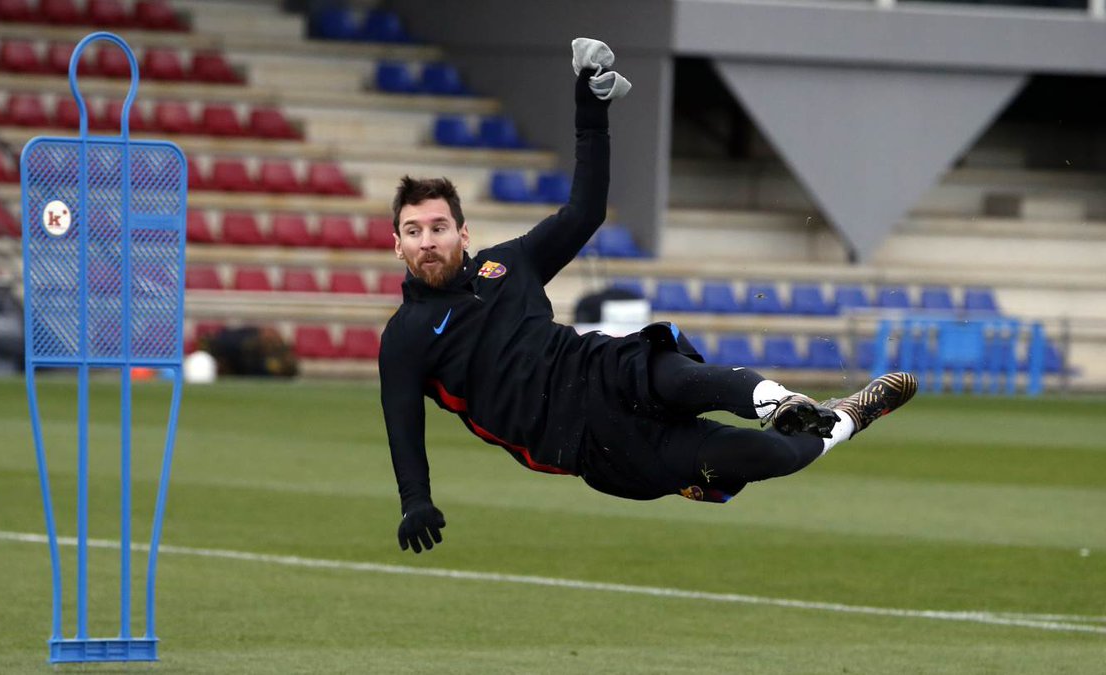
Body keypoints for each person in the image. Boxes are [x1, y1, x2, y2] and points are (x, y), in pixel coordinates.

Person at [378, 39, 917, 554]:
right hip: (586, 443)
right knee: (763, 455)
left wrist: (591, 111)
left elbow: (584, 212)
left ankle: (780, 401)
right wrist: (415, 500)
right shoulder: (405, 337)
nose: (428, 242)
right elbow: (403, 424)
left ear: (462, 233)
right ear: (398, 244)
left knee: (675, 375)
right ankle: (846, 419)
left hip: (597, 367)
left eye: (438, 227)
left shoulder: (508, 264)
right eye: (414, 231)